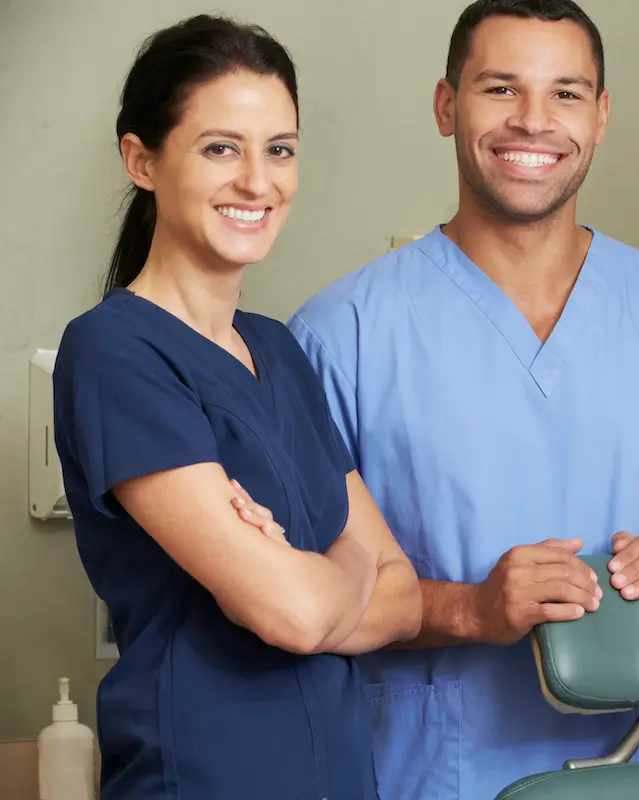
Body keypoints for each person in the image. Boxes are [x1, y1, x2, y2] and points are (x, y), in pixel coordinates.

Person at [286, 0, 639, 796]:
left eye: (567, 93)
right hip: (425, 774)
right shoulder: (343, 335)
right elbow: (299, 592)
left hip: (637, 772)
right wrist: (470, 608)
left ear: (602, 116)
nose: (533, 121)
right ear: (447, 106)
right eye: (500, 89)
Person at [51, 15, 421, 799]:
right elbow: (292, 614)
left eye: (279, 149)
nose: (259, 180)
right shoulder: (115, 353)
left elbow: (407, 596)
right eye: (222, 147)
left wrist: (309, 572)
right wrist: (341, 571)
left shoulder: (279, 351)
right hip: (201, 778)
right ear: (141, 159)